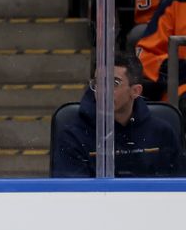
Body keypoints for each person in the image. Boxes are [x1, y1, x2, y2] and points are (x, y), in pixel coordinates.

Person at [51, 52, 185, 177]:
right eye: (98, 83)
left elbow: (177, 188)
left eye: (114, 83)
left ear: (135, 91)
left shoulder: (162, 133)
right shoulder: (73, 136)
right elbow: (71, 194)